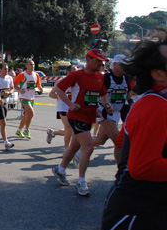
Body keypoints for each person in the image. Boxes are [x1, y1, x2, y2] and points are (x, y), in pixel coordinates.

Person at [100, 30, 167, 230]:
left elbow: (121, 142)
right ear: (159, 74)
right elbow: (143, 167)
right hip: (140, 208)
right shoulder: (155, 105)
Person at [50, 48, 112, 196]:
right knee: (88, 147)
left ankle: (60, 169)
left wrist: (105, 106)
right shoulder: (77, 75)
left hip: (90, 117)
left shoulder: (100, 77)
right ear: (89, 59)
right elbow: (58, 89)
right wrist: (70, 104)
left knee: (74, 146)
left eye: (102, 61)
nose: (101, 64)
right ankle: (81, 181)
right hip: (76, 116)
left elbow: (102, 94)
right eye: (98, 60)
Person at [93, 54, 132, 162]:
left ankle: (80, 148)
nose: (125, 68)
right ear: (115, 65)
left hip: (118, 113)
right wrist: (97, 107)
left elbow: (127, 93)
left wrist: (132, 103)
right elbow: (95, 93)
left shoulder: (126, 78)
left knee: (100, 141)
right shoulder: (106, 78)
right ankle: (122, 169)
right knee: (119, 141)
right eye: (123, 65)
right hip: (105, 113)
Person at [47, 65, 77, 148]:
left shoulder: (78, 83)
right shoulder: (62, 81)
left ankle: (53, 133)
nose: (75, 73)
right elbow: (51, 94)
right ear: (68, 72)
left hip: (73, 108)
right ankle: (67, 149)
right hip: (63, 107)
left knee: (70, 130)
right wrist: (61, 96)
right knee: (69, 128)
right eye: (73, 71)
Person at [14, 59, 43, 139]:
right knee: (31, 113)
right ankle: (26, 130)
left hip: (31, 97)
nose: (32, 66)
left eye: (33, 64)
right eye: (31, 64)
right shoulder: (23, 75)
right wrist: (19, 89)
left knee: (27, 115)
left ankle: (19, 130)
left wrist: (40, 88)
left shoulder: (36, 75)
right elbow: (14, 83)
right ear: (26, 66)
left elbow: (38, 84)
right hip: (24, 97)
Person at [0, 62, 15, 150]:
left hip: (6, 102)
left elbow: (12, 88)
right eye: (5, 69)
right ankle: (6, 142)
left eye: (7, 69)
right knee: (3, 122)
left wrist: (9, 93)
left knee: (0, 122)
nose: (7, 70)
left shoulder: (9, 78)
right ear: (0, 70)